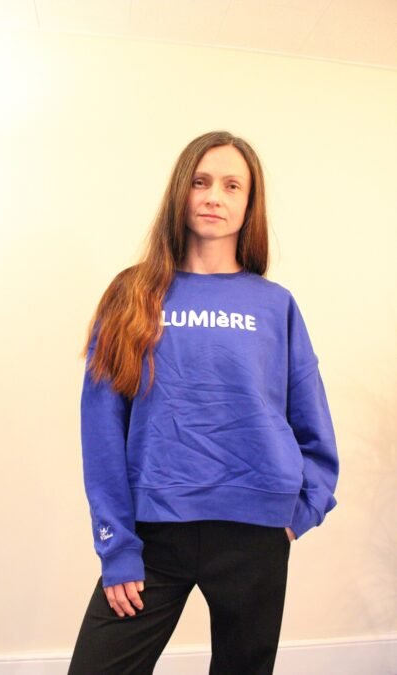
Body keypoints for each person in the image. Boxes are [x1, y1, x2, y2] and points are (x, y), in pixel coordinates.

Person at [67, 130, 340, 675]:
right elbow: (101, 428)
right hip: (153, 532)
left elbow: (311, 421)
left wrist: (301, 511)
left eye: (232, 185)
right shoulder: (132, 293)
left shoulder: (275, 305)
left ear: (249, 203)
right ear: (181, 192)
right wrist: (116, 545)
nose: (214, 196)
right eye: (201, 181)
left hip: (254, 534)